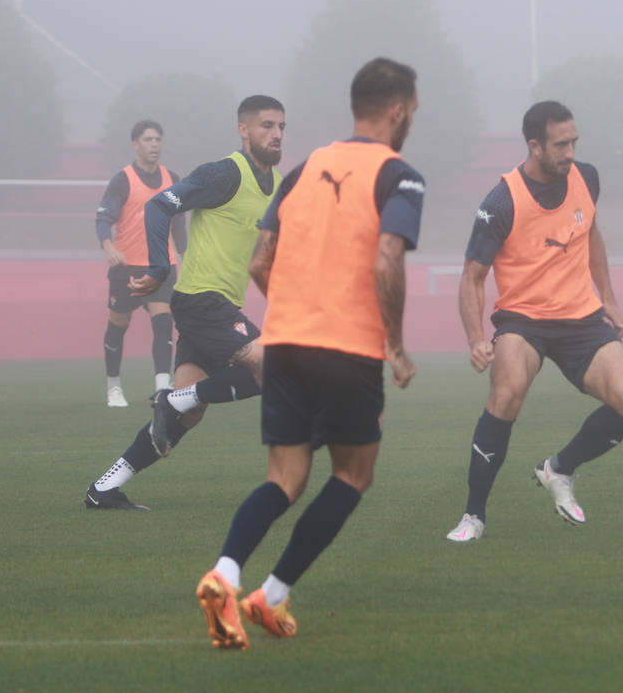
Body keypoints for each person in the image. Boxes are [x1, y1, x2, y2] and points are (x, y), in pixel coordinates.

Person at [195, 58, 423, 650]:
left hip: (285, 344)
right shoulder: (399, 175)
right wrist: (394, 345)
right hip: (345, 350)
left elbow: (259, 262)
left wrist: (298, 313)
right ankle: (271, 595)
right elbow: (387, 259)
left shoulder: (303, 169)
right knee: (353, 473)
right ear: (398, 110)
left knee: (284, 478)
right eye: (413, 112)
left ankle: (225, 574)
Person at [446, 100, 623, 543]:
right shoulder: (501, 201)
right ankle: (473, 516)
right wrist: (475, 337)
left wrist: (609, 300)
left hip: (581, 318)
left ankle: (559, 469)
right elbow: (472, 276)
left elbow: (591, 235)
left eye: (574, 141)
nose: (570, 151)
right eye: (561, 144)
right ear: (534, 146)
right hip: (523, 319)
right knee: (506, 394)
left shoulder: (586, 178)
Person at [81, 96, 285, 511]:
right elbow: (159, 206)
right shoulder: (224, 173)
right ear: (243, 130)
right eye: (266, 125)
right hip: (202, 302)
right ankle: (171, 399)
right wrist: (160, 267)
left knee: (190, 413)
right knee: (276, 369)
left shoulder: (276, 185)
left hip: (215, 306)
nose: (276, 134)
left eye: (281, 126)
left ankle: (103, 489)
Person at [95, 120, 185, 407]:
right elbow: (103, 219)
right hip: (126, 268)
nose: (154, 144)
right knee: (118, 325)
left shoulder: (173, 178)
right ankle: (113, 387)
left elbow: (179, 225)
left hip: (161, 266)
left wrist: (188, 258)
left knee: (163, 321)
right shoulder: (122, 180)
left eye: (158, 139)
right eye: (148, 140)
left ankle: (162, 387)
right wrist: (109, 246)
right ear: (136, 144)